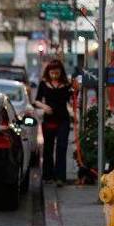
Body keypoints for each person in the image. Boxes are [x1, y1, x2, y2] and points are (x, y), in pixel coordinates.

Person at [34, 59, 72, 187]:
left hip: (63, 119)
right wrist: (44, 107)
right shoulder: (44, 84)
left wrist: (76, 91)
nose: (55, 75)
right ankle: (48, 175)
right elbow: (36, 101)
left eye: (57, 73)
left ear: (61, 72)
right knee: (48, 148)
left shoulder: (66, 85)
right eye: (52, 73)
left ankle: (60, 177)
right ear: (48, 72)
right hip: (49, 119)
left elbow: (71, 101)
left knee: (62, 146)